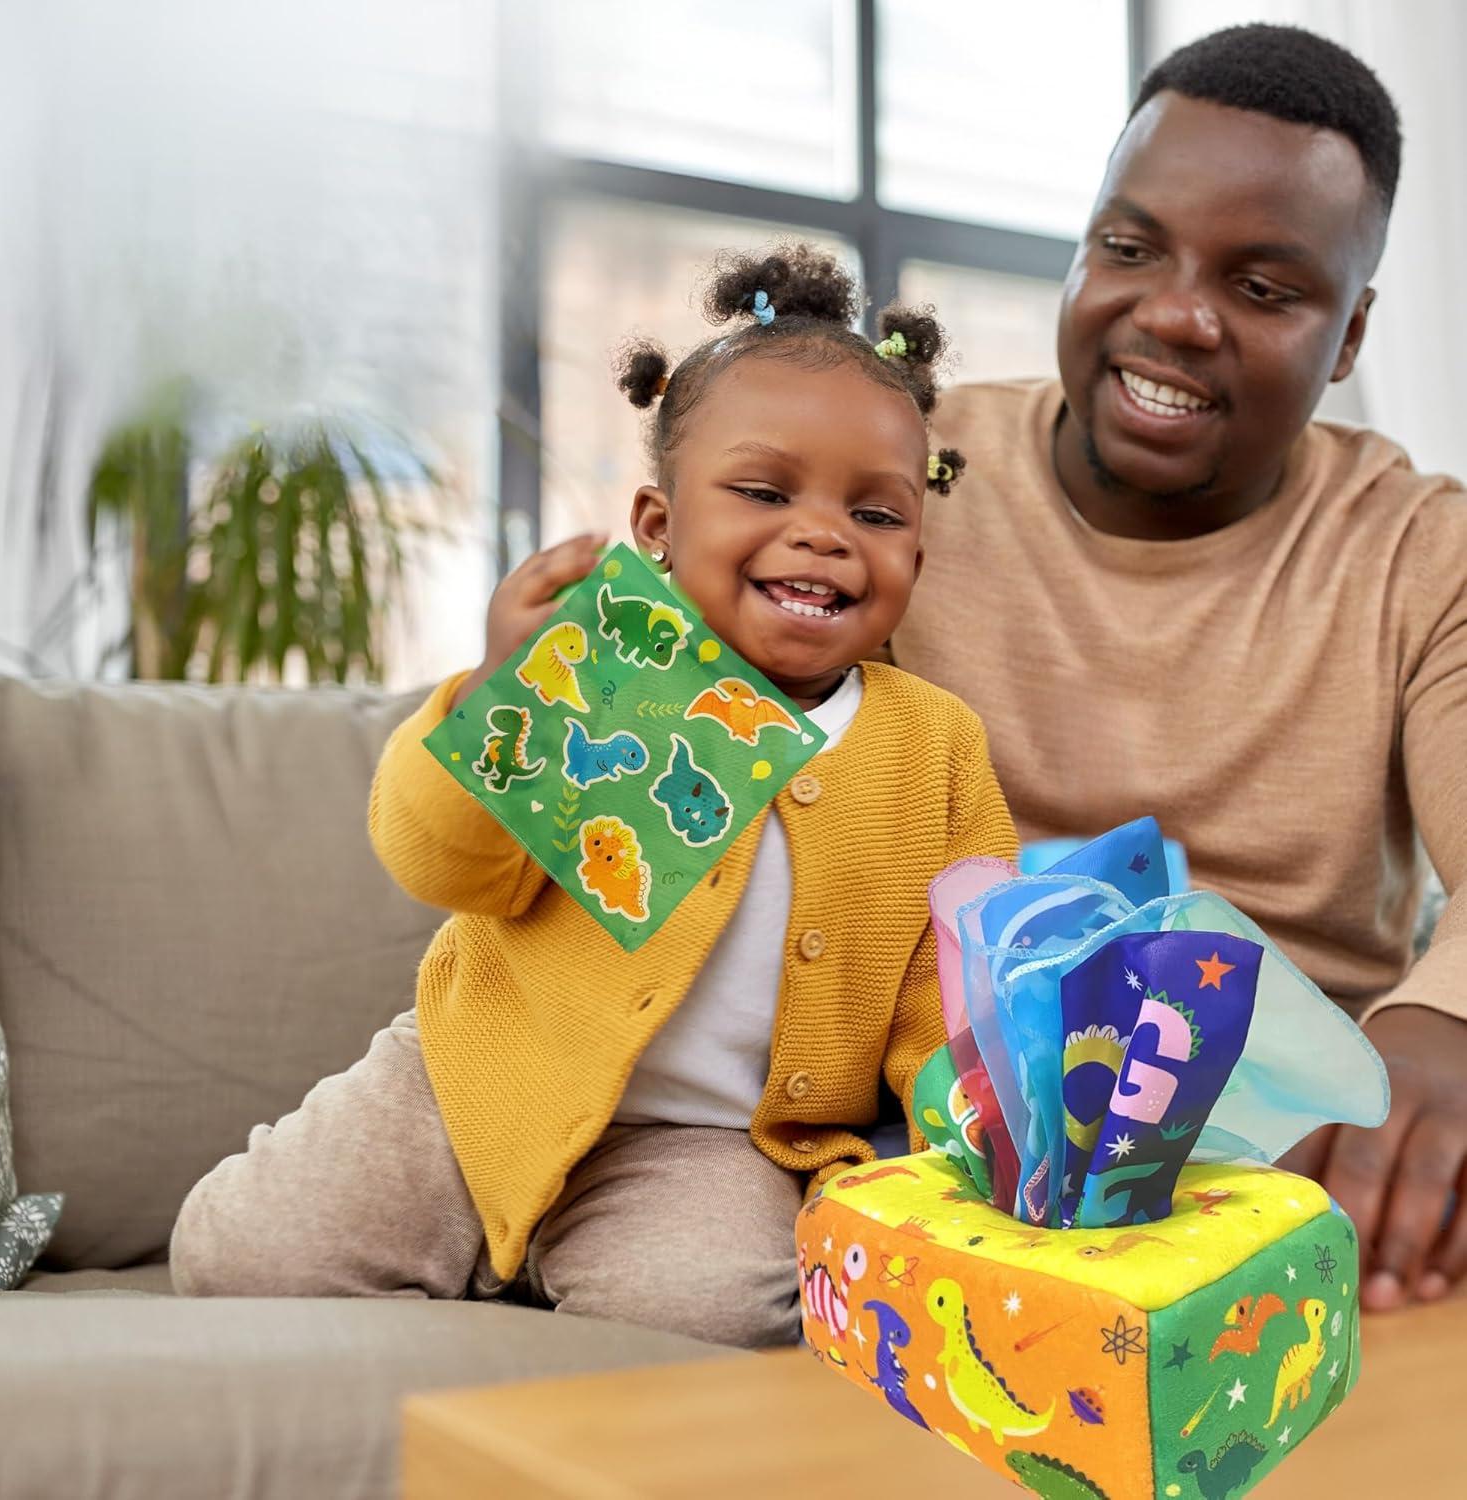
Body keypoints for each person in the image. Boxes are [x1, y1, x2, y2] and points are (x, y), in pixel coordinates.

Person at [168, 245, 1018, 1345]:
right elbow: (441, 864)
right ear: (659, 528)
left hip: (704, 1142)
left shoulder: (935, 744)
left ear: (918, 545)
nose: (823, 534)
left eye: (878, 514)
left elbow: (942, 988)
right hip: (476, 1083)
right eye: (764, 493)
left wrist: (980, 1122)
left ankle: (551, 1261)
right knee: (238, 1253)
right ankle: (500, 1245)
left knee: (712, 1316)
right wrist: (498, 703)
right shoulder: (600, 668)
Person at [892, 23, 1467, 1313]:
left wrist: (1446, 1026)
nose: (1175, 315)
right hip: (935, 1134)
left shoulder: (1426, 553)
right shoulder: (896, 477)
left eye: (1264, 289)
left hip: (1294, 1169)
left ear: (1353, 333)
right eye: (1130, 247)